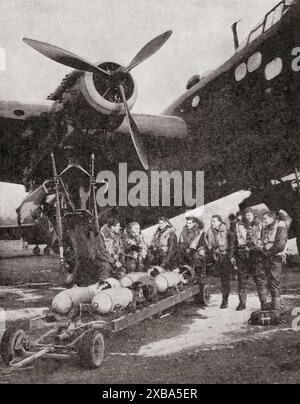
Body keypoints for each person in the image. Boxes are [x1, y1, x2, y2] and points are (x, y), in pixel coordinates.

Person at [231, 208, 268, 311]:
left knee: (259, 280)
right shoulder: (239, 225)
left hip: (256, 255)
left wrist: (262, 251)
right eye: (247, 215)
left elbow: (264, 239)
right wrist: (232, 255)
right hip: (243, 256)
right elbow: (234, 242)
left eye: (250, 214)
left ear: (254, 215)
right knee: (242, 281)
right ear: (244, 216)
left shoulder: (260, 225)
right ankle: (242, 303)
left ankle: (264, 303)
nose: (249, 216)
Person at [261, 211, 288, 311]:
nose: (263, 221)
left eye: (265, 219)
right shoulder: (268, 227)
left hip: (276, 258)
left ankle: (276, 308)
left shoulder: (280, 226)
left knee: (274, 282)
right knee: (271, 281)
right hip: (269, 257)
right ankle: (276, 304)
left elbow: (280, 245)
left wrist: (266, 253)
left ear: (272, 218)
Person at [206, 215, 232, 309]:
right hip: (215, 256)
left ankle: (225, 300)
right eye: (211, 221)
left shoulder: (226, 231)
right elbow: (207, 243)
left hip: (225, 257)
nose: (212, 223)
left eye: (214, 221)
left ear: (219, 222)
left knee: (225, 279)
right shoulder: (209, 232)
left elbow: (231, 245)